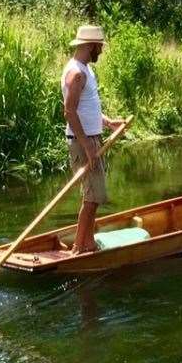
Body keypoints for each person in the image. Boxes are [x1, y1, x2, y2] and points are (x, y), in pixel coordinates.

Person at [62, 24, 125, 254]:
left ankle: (87, 243)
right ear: (90, 46)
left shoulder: (85, 70)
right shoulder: (76, 73)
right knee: (92, 197)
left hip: (89, 139)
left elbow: (87, 109)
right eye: (99, 47)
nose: (101, 50)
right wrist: (88, 145)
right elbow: (69, 111)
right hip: (82, 142)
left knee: (94, 196)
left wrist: (108, 122)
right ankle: (79, 247)